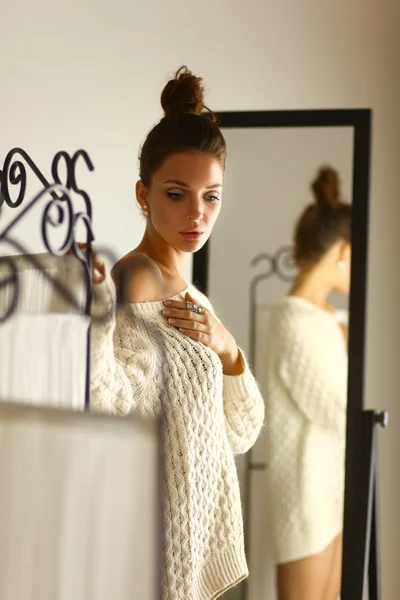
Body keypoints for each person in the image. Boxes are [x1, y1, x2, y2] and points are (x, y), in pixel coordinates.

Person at [88, 67, 265, 600]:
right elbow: (109, 401)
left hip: (194, 542)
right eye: (176, 194)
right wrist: (96, 314)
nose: (197, 214)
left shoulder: (192, 298)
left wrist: (229, 349)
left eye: (211, 196)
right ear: (143, 194)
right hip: (158, 547)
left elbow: (238, 432)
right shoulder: (137, 278)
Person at [265, 166, 350, 600]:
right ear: (342, 251)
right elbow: (337, 409)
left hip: (332, 490)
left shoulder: (327, 320)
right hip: (304, 498)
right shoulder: (291, 319)